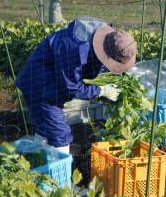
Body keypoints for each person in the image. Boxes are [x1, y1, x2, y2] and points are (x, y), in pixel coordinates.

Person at [15, 18, 137, 154]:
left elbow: (96, 64)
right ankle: (57, 173)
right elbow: (72, 87)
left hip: (52, 81)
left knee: (46, 128)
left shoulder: (105, 39)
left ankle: (36, 159)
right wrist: (100, 91)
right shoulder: (75, 49)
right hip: (39, 85)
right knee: (60, 134)